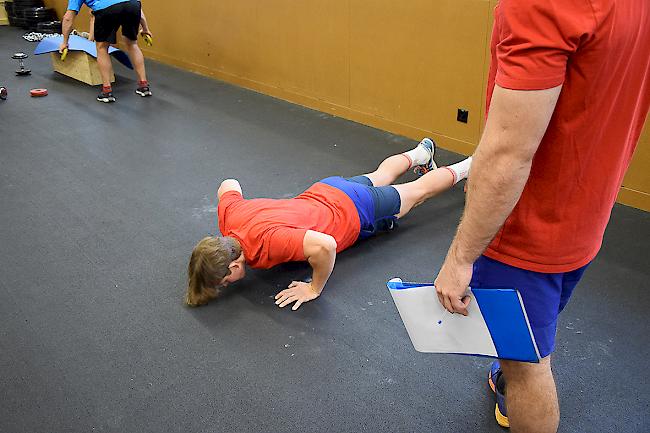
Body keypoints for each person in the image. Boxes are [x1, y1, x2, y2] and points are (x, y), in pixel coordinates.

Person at [431, 1, 650, 432]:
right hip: (585, 218)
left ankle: (514, 377)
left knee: (527, 365)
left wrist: (460, 259)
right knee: (533, 328)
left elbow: (508, 153)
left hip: (527, 233)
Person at [186, 139, 472, 309]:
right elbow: (229, 184)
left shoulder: (270, 242)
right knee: (380, 174)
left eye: (224, 281)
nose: (228, 284)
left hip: (351, 209)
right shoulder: (229, 218)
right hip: (326, 190)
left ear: (234, 266)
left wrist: (313, 288)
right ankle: (421, 153)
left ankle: (473, 164)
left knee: (417, 192)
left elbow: (326, 246)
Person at [59, 0, 153, 103]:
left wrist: (65, 42)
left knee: (102, 48)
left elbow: (68, 18)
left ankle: (107, 91)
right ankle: (144, 86)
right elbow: (136, 6)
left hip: (106, 9)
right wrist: (145, 28)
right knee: (132, 44)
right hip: (132, 5)